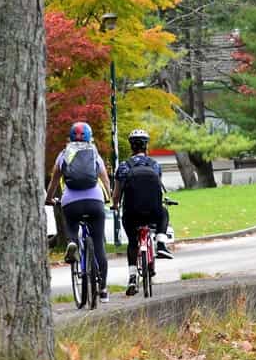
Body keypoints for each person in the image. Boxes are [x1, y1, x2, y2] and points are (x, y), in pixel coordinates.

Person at [45, 121, 110, 301]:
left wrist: (49, 199)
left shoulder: (64, 154)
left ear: (71, 137)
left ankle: (72, 242)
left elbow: (53, 181)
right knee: (98, 246)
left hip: (70, 202)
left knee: (72, 226)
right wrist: (108, 196)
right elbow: (104, 178)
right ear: (90, 137)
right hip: (95, 201)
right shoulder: (94, 153)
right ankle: (103, 290)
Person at [112, 129, 173, 297]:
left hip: (131, 214)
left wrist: (115, 205)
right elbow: (157, 189)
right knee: (164, 212)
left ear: (131, 146)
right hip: (153, 211)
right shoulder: (154, 165)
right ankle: (161, 243)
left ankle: (132, 277)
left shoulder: (123, 167)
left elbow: (117, 194)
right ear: (146, 146)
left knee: (133, 242)